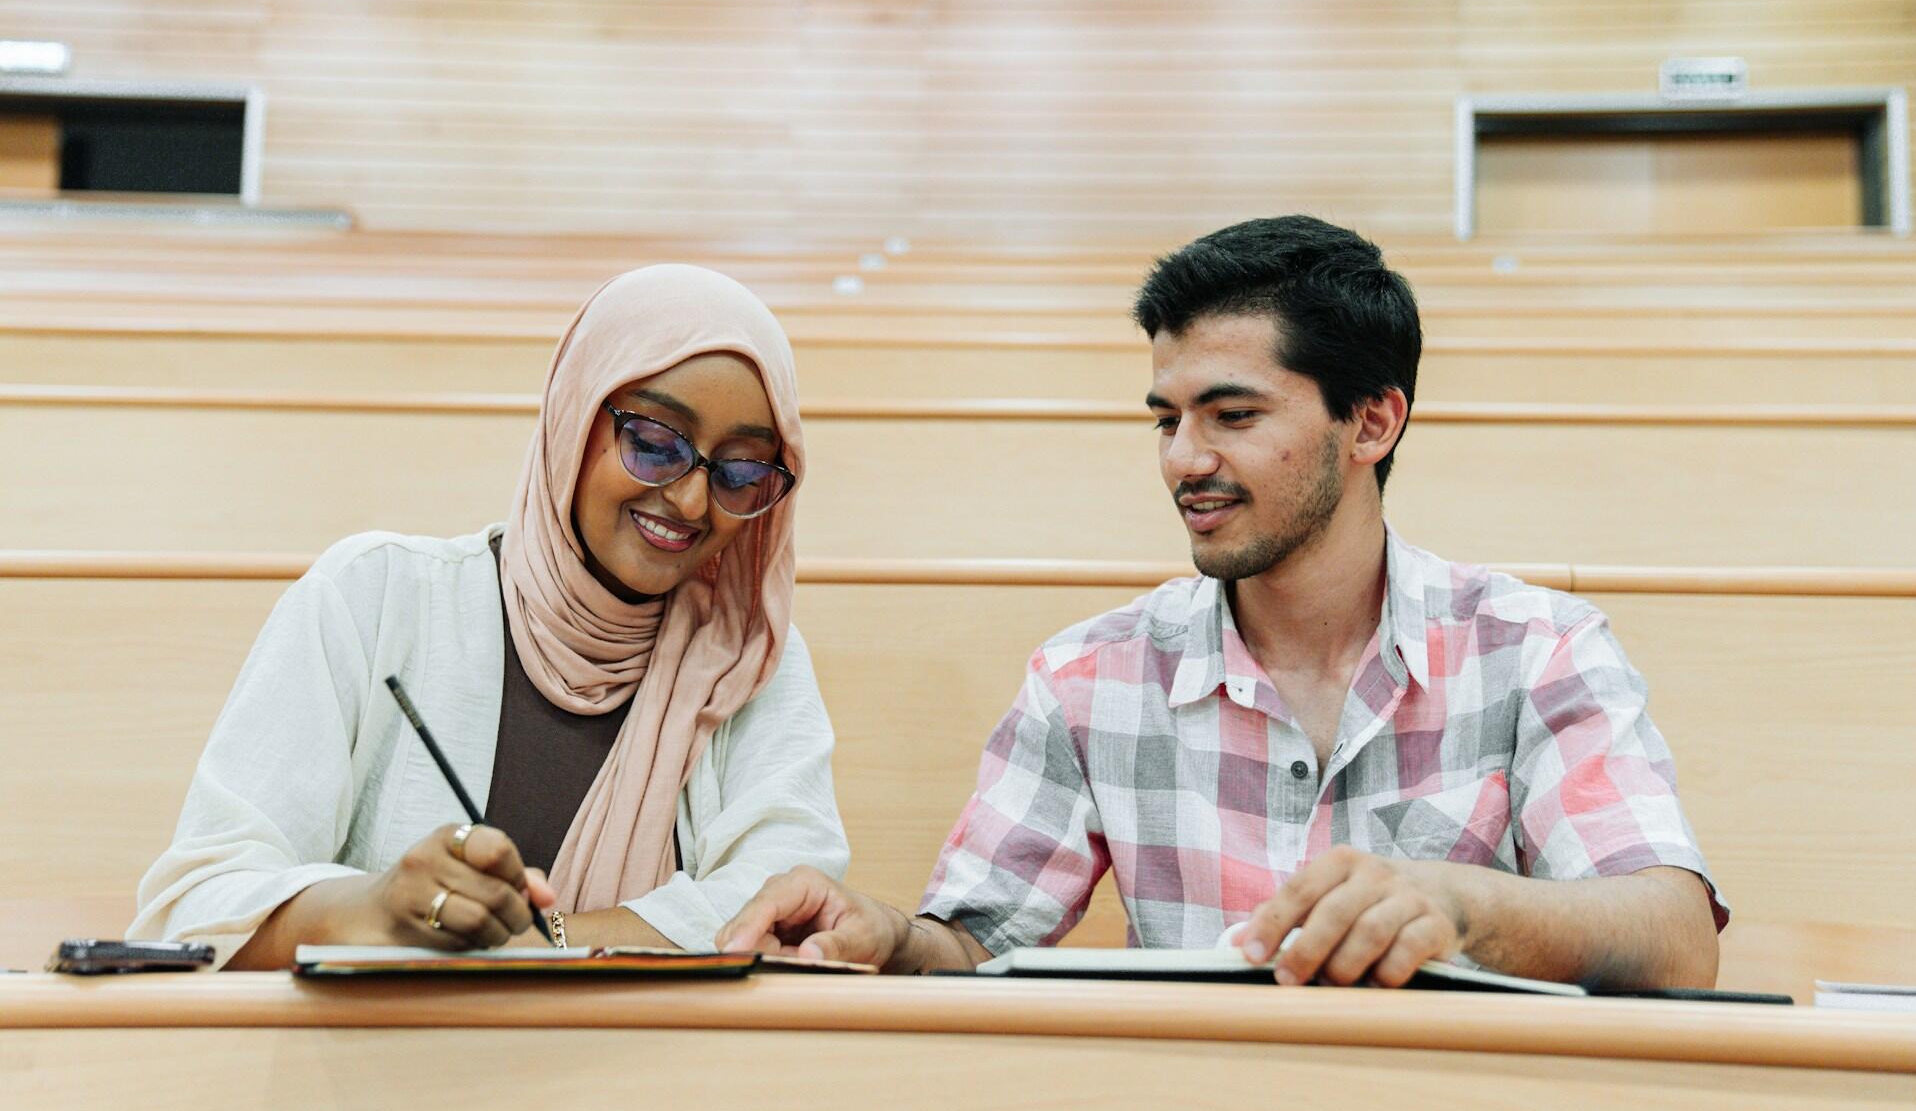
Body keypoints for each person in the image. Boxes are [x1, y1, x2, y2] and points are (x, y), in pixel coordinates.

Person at [718, 216, 1724, 990]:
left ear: (1372, 420)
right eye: (1167, 419)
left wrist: (1460, 906)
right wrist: (887, 933)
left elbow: (1673, 933)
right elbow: (975, 943)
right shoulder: (1090, 677)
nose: (1184, 461)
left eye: (1233, 415)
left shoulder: (1536, 648)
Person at [131, 265, 848, 968]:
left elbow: (785, 911)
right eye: (656, 445)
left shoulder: (749, 661)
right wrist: (370, 911)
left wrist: (538, 945)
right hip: (369, 1074)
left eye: (740, 473)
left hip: (645, 1079)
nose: (691, 503)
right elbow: (195, 904)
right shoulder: (376, 597)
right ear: (574, 416)